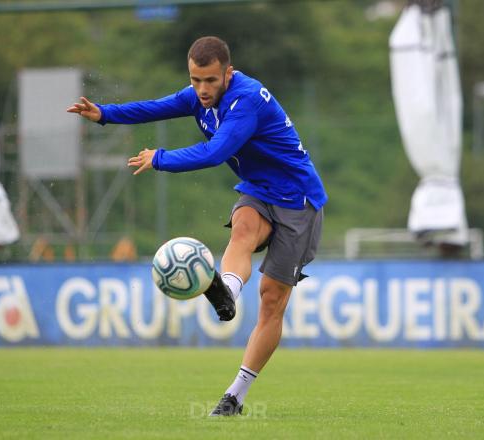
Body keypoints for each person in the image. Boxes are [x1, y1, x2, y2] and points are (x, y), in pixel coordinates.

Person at [67, 36, 327, 416]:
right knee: (242, 228)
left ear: (228, 74)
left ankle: (235, 396)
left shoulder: (245, 101)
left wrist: (160, 158)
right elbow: (156, 107)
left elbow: (215, 152)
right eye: (195, 80)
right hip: (258, 190)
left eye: (209, 80)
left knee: (272, 300)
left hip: (297, 199)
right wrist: (104, 114)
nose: (202, 89)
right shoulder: (197, 94)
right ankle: (228, 292)